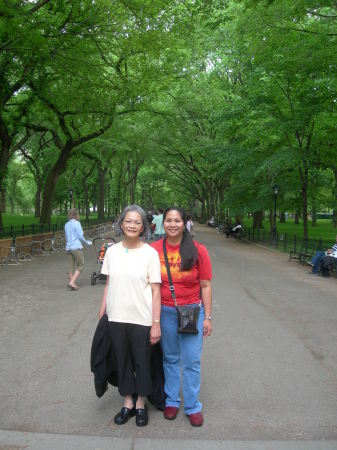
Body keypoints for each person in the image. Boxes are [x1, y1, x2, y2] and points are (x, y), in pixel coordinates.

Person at [98, 205, 161, 427]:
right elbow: (108, 284)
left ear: (143, 226)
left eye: (137, 222)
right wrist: (102, 311)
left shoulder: (150, 253)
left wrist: (155, 323)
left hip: (141, 319)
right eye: (128, 221)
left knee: (142, 362)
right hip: (116, 317)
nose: (132, 225)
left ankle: (141, 403)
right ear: (121, 224)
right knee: (122, 361)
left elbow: (156, 291)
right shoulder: (112, 251)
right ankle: (128, 403)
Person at [151, 206, 212, 427]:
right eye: (168, 220)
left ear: (184, 223)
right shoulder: (154, 250)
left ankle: (193, 405)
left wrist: (208, 317)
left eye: (177, 220)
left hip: (191, 312)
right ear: (162, 223)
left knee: (192, 360)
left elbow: (205, 285)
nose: (173, 224)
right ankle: (172, 400)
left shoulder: (197, 250)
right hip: (165, 311)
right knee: (170, 358)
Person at [64, 208, 92, 290]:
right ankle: (72, 282)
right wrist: (86, 242)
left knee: (70, 266)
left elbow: (66, 236)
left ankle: (72, 283)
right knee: (81, 265)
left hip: (68, 247)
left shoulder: (66, 224)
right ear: (76, 214)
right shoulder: (77, 223)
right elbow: (80, 236)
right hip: (76, 247)